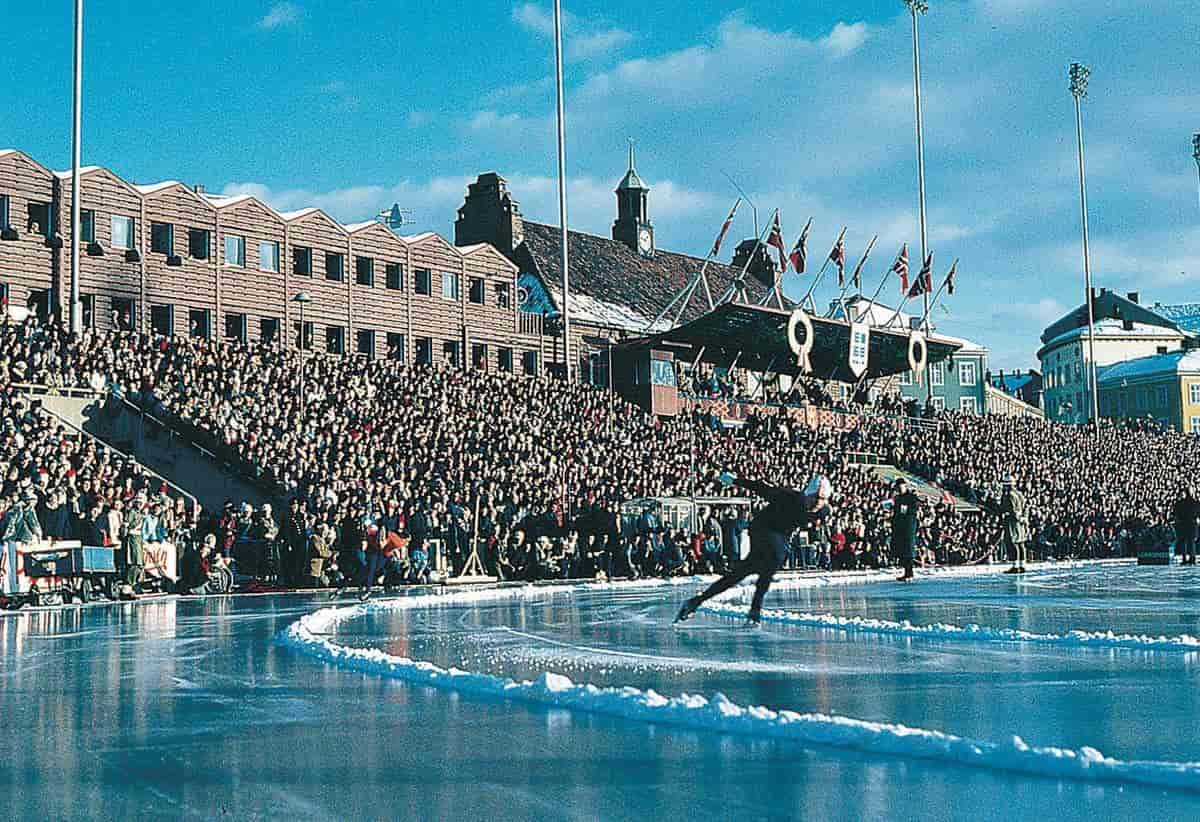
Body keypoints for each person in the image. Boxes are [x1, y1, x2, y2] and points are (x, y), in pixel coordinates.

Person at [675, 473, 833, 626]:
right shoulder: (787, 497)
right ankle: (755, 611)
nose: (816, 503)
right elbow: (760, 487)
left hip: (782, 535)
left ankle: (695, 602)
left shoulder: (823, 510)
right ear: (807, 494)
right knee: (777, 555)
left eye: (821, 500)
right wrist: (735, 480)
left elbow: (817, 523)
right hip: (763, 528)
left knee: (743, 572)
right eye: (814, 499)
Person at [999, 475, 1031, 573]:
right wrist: (1024, 518)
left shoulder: (1009, 495)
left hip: (1012, 522)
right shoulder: (1019, 494)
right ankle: (1022, 565)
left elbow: (1011, 510)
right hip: (1020, 522)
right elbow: (1026, 507)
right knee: (1021, 543)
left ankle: (1015, 566)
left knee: (1013, 543)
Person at [890, 479, 920, 582]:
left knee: (908, 549)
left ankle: (909, 572)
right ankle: (906, 572)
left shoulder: (912, 497)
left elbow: (914, 509)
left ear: (905, 486)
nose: (899, 489)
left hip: (909, 525)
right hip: (900, 526)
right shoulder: (898, 498)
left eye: (900, 487)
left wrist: (905, 509)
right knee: (902, 550)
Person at [1172, 485, 1197, 566]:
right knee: (1191, 542)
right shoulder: (1194, 502)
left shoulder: (1180, 503)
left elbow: (1175, 514)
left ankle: (1185, 558)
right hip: (1191, 524)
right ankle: (1192, 558)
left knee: (1184, 542)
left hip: (1183, 524)